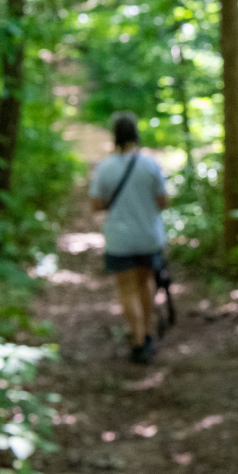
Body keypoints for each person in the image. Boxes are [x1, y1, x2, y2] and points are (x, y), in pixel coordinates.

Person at [90, 113, 168, 365]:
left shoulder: (105, 167)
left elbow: (96, 204)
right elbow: (163, 201)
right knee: (145, 285)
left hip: (119, 239)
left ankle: (137, 339)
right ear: (136, 134)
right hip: (148, 236)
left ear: (115, 137)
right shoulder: (151, 164)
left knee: (127, 289)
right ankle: (147, 334)